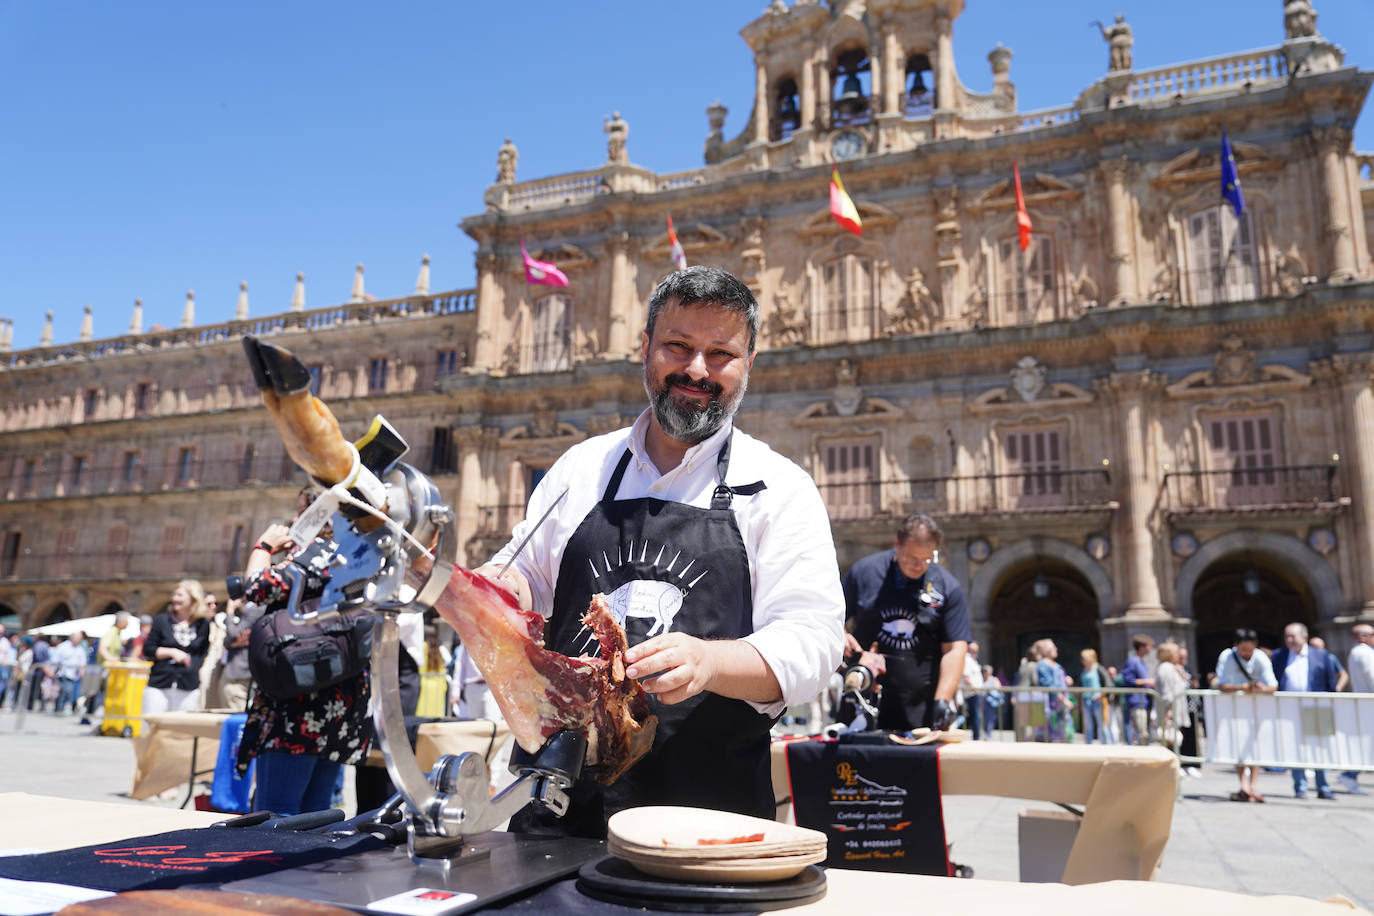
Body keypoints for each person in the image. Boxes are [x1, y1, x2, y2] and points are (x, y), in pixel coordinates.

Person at [467, 266, 844, 839]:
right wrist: (494, 588)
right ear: (645, 347)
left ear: (749, 364)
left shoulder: (778, 487)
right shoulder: (581, 469)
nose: (697, 369)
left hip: (708, 822)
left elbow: (813, 643)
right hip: (558, 809)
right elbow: (525, 573)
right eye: (678, 346)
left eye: (721, 353)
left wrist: (709, 662)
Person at [235, 509, 372, 817]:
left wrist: (263, 547)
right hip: (339, 698)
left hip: (301, 699)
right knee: (315, 812)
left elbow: (257, 587)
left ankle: (273, 867)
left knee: (276, 812)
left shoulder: (320, 552)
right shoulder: (362, 555)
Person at [844, 514, 969, 733]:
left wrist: (943, 699)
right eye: (911, 557)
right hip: (862, 698)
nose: (918, 566)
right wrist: (840, 634)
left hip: (921, 709)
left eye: (927, 559)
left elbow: (955, 649)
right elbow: (831, 619)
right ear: (897, 545)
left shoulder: (947, 586)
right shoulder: (864, 573)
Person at [1271, 622, 1342, 799]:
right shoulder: (1279, 656)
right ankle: (1300, 786)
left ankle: (1323, 786)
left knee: (1320, 748)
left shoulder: (1321, 655)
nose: (1289, 640)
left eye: (1292, 636)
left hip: (1317, 708)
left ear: (1305, 637)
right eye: (1287, 636)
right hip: (1289, 709)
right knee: (1295, 748)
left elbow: (1330, 683)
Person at [1215, 628, 1277, 802]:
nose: (1247, 654)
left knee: (1254, 746)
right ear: (1236, 646)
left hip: (1256, 708)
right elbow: (1221, 683)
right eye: (1243, 650)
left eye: (1250, 650)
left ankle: (1253, 785)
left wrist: (1261, 689)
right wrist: (1242, 688)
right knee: (1239, 746)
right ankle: (1243, 784)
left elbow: (1273, 685)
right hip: (1234, 709)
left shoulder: (1260, 657)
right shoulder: (1226, 657)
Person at [141, 580, 213, 714]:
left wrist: (193, 668)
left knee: (180, 731)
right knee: (153, 728)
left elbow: (202, 652)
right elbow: (148, 649)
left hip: (188, 686)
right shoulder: (162, 620)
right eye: (174, 595)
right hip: (160, 683)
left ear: (193, 598)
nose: (175, 598)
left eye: (180, 595)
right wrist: (172, 652)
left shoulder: (203, 624)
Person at [1341, 623, 1374, 795]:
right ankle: (1349, 774)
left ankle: (1350, 774)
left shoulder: (1355, 652)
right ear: (1362, 637)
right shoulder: (1364, 652)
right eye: (1372, 634)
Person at [219, 598, 263, 713]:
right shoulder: (247, 610)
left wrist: (229, 612)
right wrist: (232, 642)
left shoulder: (254, 609)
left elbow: (233, 634)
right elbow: (228, 641)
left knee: (235, 715)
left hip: (240, 675)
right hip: (237, 673)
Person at [1154, 642, 1190, 759]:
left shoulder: (1170, 667)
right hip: (1170, 709)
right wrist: (1169, 711)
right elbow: (1168, 692)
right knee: (1170, 740)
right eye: (1176, 653)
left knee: (1172, 740)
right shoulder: (1166, 668)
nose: (1178, 655)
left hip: (1173, 708)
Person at [1033, 639, 1072, 742]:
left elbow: (1060, 680)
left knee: (1063, 733)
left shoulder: (1057, 665)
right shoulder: (1043, 665)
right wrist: (1063, 699)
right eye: (1053, 647)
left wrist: (1067, 679)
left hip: (1061, 704)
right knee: (1052, 734)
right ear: (1046, 650)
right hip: (1051, 705)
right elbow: (1049, 685)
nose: (1056, 649)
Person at [1121, 634, 1155, 745]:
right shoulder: (1133, 661)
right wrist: (1147, 681)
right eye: (1149, 646)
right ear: (1141, 647)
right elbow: (1128, 680)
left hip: (1144, 701)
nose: (1151, 649)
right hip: (1136, 701)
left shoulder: (1141, 662)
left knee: (1145, 733)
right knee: (1141, 733)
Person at [415, 624, 451, 719]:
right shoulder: (439, 649)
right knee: (434, 717)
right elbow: (448, 661)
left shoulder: (422, 647)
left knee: (421, 718)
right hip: (438, 685)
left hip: (423, 685)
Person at [51, 631, 88, 715]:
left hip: (73, 675)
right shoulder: (63, 646)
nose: (79, 640)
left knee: (69, 692)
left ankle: (62, 708)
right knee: (66, 690)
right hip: (63, 673)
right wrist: (55, 671)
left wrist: (82, 671)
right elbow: (56, 659)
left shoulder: (79, 648)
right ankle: (59, 708)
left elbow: (82, 661)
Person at [1079, 648, 1111, 744]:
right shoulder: (1083, 670)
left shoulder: (1098, 668)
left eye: (1084, 658)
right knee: (1088, 725)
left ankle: (1105, 744)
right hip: (1086, 700)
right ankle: (1089, 744)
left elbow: (1108, 684)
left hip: (1098, 700)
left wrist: (1101, 695)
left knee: (1102, 724)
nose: (1082, 660)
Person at [959, 640, 985, 739]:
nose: (976, 651)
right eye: (974, 650)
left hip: (975, 692)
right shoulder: (967, 659)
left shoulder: (973, 660)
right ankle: (976, 738)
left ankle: (976, 737)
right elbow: (966, 678)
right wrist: (975, 689)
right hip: (972, 693)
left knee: (975, 717)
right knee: (974, 717)